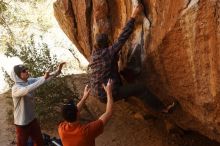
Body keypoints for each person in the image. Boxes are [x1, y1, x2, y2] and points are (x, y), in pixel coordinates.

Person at [88, 4, 174, 113]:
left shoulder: (94, 55)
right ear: (107, 44)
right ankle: (163, 109)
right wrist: (133, 15)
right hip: (108, 93)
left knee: (121, 71)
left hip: (98, 92)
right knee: (140, 89)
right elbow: (122, 38)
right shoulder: (107, 53)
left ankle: (123, 94)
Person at [10, 62, 66, 146]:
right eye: (24, 71)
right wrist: (43, 79)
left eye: (26, 69)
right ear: (18, 76)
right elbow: (27, 90)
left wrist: (58, 71)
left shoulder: (29, 81)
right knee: (21, 144)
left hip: (32, 119)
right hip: (22, 123)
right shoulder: (15, 88)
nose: (27, 71)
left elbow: (44, 78)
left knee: (39, 141)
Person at [58, 79, 113, 146]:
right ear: (78, 113)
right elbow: (108, 112)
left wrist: (84, 97)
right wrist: (109, 92)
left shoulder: (61, 129)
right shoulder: (85, 132)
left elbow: (75, 110)